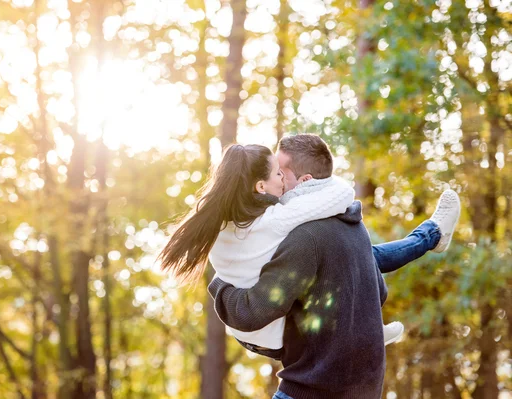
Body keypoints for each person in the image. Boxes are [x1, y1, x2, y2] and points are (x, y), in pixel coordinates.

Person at [159, 135, 460, 398]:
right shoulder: (344, 223)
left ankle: (428, 238)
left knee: (355, 257)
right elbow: (371, 264)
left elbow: (250, 312)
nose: (280, 181)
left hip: (311, 385)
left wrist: (219, 284)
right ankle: (429, 236)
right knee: (360, 256)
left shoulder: (300, 234)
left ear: (302, 181)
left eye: (282, 172)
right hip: (362, 380)